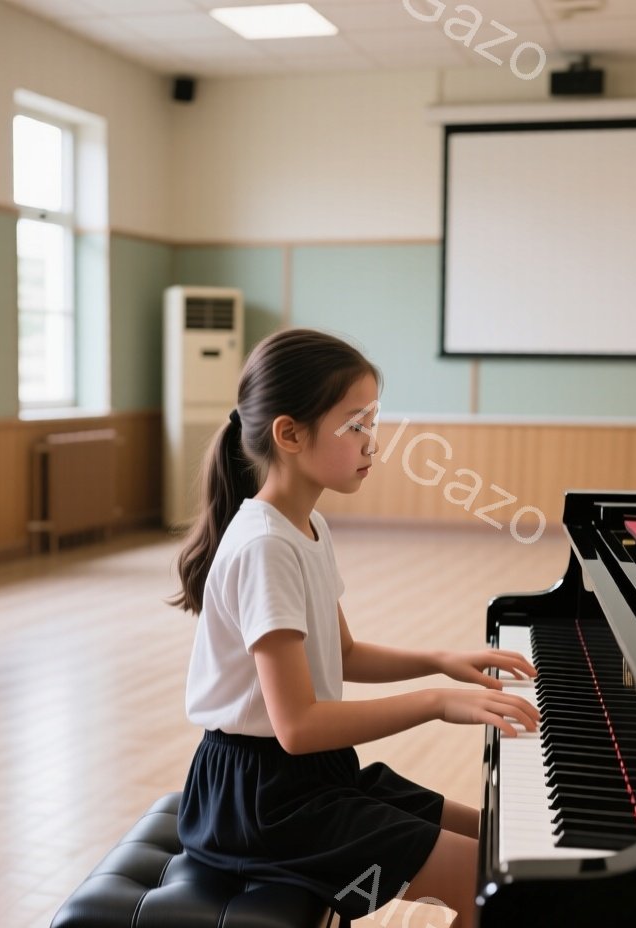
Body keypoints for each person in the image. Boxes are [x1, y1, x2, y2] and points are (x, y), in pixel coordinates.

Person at [169, 328, 539, 927]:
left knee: (503, 840)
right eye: (356, 425)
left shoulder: (305, 527)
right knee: (484, 879)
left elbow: (342, 653)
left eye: (373, 422)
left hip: (310, 780)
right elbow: (297, 727)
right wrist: (436, 702)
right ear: (290, 434)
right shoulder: (265, 546)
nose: (374, 442)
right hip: (260, 807)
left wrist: (441, 661)